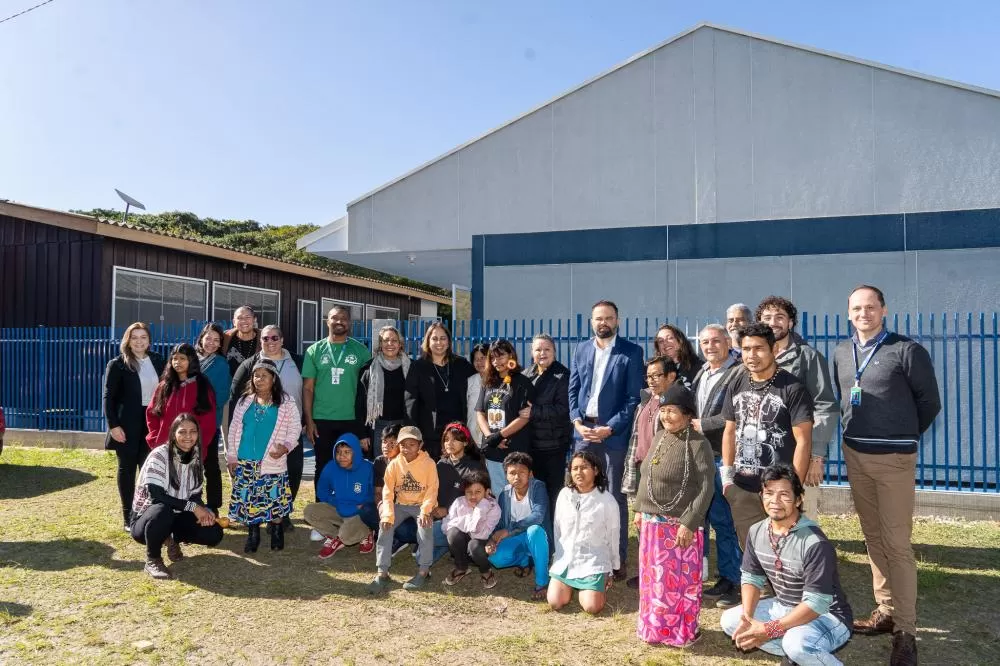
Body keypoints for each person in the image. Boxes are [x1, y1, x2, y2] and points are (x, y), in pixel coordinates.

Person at [832, 285, 940, 665]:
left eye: (871, 307)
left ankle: (906, 632)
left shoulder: (906, 351)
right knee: (873, 537)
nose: (864, 313)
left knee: (897, 544)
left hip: (893, 458)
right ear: (848, 313)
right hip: (855, 455)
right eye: (857, 308)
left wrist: (901, 436)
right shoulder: (843, 352)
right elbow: (844, 399)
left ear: (884, 310)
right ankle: (886, 609)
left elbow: (929, 403)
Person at [721, 464, 853, 665]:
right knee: (731, 621)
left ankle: (798, 651)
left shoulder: (814, 543)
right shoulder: (757, 531)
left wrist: (768, 629)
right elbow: (751, 578)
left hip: (828, 616)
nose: (775, 501)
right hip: (786, 607)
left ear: (799, 499)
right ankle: (796, 655)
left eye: (784, 494)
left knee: (796, 644)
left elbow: (816, 604)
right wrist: (747, 617)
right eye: (769, 493)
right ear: (761, 496)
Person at [634, 384, 715, 647]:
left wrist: (689, 523)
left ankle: (680, 632)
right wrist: (639, 509)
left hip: (679, 527)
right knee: (654, 582)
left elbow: (706, 487)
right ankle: (655, 629)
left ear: (688, 415)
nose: (666, 416)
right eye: (664, 410)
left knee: (678, 585)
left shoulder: (699, 444)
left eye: (673, 411)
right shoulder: (660, 437)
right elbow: (646, 474)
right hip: (652, 525)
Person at [568, 300, 644, 581]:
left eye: (609, 318)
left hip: (612, 437)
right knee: (581, 495)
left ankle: (617, 558)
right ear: (592, 322)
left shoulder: (632, 352)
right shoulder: (582, 349)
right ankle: (581, 552)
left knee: (613, 498)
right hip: (583, 433)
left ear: (617, 321)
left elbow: (633, 398)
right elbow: (573, 390)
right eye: (599, 318)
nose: (604, 323)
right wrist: (576, 420)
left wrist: (609, 428)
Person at [721, 323, 814, 549]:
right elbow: (730, 431)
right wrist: (727, 479)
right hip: (742, 487)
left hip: (778, 489)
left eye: (759, 348)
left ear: (774, 350)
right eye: (746, 349)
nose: (752, 355)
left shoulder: (792, 388)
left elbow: (803, 441)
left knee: (783, 550)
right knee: (750, 551)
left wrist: (795, 487)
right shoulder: (737, 383)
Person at [757, 296, 839, 519]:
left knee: (800, 515)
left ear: (791, 323)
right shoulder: (753, 357)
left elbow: (825, 406)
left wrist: (817, 456)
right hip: (762, 454)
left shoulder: (808, 357)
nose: (773, 322)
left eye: (780, 317)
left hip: (798, 454)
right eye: (767, 318)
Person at [130, 413, 224, 580]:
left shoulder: (196, 458)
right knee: (162, 510)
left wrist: (204, 511)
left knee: (214, 533)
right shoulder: (159, 455)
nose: (188, 436)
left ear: (198, 434)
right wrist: (193, 507)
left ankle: (171, 537)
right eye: (182, 432)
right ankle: (153, 560)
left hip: (176, 516)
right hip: (146, 521)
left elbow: (195, 496)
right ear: (173, 434)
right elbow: (157, 496)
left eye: (193, 431)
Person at [230, 324, 306, 528]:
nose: (270, 342)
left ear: (282, 340)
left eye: (274, 338)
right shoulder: (249, 365)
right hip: (258, 432)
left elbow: (309, 391)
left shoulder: (298, 361)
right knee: (260, 473)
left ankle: (282, 513)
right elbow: (236, 396)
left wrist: (308, 420)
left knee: (292, 470)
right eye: (265, 338)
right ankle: (258, 513)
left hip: (290, 427)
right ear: (260, 341)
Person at [691, 324, 743, 609]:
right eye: (705, 342)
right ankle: (723, 575)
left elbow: (734, 416)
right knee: (709, 517)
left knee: (725, 521)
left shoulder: (738, 372)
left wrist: (702, 424)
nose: (710, 346)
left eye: (715, 341)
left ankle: (732, 580)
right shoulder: (703, 372)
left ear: (727, 342)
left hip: (723, 455)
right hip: (703, 455)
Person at [226, 360, 301, 553]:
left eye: (264, 375)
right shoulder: (244, 401)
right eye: (256, 375)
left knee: (273, 499)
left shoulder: (286, 401)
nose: (259, 379)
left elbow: (295, 429)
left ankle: (277, 531)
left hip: (271, 460)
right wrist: (232, 457)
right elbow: (234, 428)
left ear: (274, 378)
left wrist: (285, 447)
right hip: (245, 459)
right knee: (250, 500)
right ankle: (253, 534)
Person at [302, 305, 371, 500]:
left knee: (351, 464)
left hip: (351, 420)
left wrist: (363, 426)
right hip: (321, 418)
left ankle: (349, 507)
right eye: (334, 318)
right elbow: (308, 388)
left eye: (344, 318)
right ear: (327, 321)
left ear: (349, 323)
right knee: (323, 465)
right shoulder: (314, 350)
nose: (339, 321)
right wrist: (309, 420)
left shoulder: (361, 351)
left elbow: (368, 390)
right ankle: (322, 509)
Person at [621, 355, 678, 588]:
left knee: (663, 526)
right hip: (640, 470)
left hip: (662, 474)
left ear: (671, 376)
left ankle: (664, 575)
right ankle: (648, 572)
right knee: (643, 524)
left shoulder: (676, 404)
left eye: (657, 375)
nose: (652, 380)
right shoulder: (646, 401)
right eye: (649, 376)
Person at [103, 322, 166, 530]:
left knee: (148, 468)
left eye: (143, 337)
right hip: (127, 424)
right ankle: (128, 516)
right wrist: (113, 426)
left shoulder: (158, 360)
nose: (139, 341)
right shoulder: (118, 364)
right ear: (128, 340)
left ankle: (146, 511)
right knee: (127, 469)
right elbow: (108, 397)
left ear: (149, 340)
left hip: (152, 421)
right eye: (135, 337)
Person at [145, 343, 219, 518]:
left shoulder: (202, 386)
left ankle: (188, 520)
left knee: (190, 486)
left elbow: (208, 420)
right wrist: (156, 440)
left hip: (191, 448)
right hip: (165, 447)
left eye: (183, 358)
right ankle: (165, 522)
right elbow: (152, 414)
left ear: (191, 360)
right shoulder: (164, 386)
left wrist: (199, 445)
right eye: (175, 358)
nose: (178, 362)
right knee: (166, 484)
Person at [394, 422, 485, 562]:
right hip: (438, 518)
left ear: (466, 442)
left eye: (455, 439)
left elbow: (479, 501)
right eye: (446, 439)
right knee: (418, 555)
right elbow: (429, 491)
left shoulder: (475, 467)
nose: (450, 443)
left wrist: (448, 511)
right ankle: (448, 545)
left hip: (461, 521)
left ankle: (456, 544)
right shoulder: (440, 465)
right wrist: (429, 509)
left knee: (426, 544)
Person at [547, 451, 620, 616]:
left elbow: (613, 536)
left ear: (595, 470)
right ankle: (569, 585)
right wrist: (556, 558)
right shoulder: (564, 495)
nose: (578, 473)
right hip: (566, 559)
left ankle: (590, 585)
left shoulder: (607, 500)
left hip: (592, 560)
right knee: (555, 602)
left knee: (592, 607)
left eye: (584, 468)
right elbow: (557, 529)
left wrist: (611, 568)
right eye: (574, 468)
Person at [368, 426, 439, 593]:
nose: (407, 448)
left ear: (420, 445)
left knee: (425, 527)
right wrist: (388, 513)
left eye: (412, 444)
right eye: (403, 444)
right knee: (385, 526)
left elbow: (432, 489)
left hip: (421, 505)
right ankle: (382, 572)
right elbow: (387, 490)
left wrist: (426, 511)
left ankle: (423, 571)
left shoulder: (429, 464)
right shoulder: (394, 464)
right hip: (400, 504)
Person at [406, 322, 476, 460]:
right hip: (430, 437)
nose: (439, 342)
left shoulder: (461, 365)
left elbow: (480, 384)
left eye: (443, 338)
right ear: (428, 341)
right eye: (434, 338)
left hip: (458, 436)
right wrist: (414, 435)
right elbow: (410, 403)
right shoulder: (418, 367)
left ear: (449, 342)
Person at [486, 451, 551, 600]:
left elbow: (538, 516)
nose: (517, 477)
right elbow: (501, 523)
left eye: (522, 472)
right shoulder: (505, 493)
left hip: (538, 537)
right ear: (506, 476)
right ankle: (526, 560)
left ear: (530, 474)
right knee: (495, 557)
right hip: (517, 535)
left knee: (534, 531)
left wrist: (508, 530)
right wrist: (491, 539)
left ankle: (542, 583)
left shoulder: (538, 487)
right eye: (512, 473)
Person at [475, 339, 535, 495]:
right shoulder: (487, 382)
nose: (496, 362)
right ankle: (502, 520)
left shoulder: (522, 382)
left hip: (515, 449)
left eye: (500, 356)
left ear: (511, 356)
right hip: (494, 450)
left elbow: (524, 417)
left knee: (519, 493)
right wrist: (490, 437)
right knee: (499, 493)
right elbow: (480, 411)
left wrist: (500, 435)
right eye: (493, 358)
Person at [303, 433, 378, 558]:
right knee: (309, 511)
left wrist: (362, 505)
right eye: (338, 452)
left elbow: (375, 493)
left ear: (356, 452)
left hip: (358, 513)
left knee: (346, 536)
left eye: (347, 452)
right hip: (339, 508)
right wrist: (335, 501)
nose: (341, 456)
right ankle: (336, 536)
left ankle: (365, 533)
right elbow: (322, 490)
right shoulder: (331, 467)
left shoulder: (368, 468)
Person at [522, 333, 572, 519]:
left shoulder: (562, 376)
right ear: (532, 353)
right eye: (538, 349)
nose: (542, 353)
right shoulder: (526, 374)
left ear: (554, 352)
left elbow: (563, 409)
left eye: (547, 349)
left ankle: (554, 538)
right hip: (530, 444)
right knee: (535, 493)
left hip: (553, 446)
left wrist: (534, 412)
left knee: (553, 494)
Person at [357, 325, 413, 457]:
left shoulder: (412, 367)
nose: (390, 344)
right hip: (377, 427)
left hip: (404, 426)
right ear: (380, 344)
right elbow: (360, 404)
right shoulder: (368, 369)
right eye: (386, 340)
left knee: (402, 467)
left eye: (394, 340)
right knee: (381, 467)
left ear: (400, 344)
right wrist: (362, 434)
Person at [442, 468, 502, 588]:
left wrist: (480, 509)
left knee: (474, 546)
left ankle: (485, 570)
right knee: (453, 534)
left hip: (481, 541)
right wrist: (467, 523)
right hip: (462, 541)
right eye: (469, 492)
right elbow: (446, 526)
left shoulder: (493, 508)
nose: (473, 496)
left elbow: (481, 534)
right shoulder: (459, 502)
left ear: (487, 492)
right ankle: (461, 567)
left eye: (478, 492)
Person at [195, 323, 230, 515]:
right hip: (186, 422)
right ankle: (192, 502)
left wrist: (202, 407)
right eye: (208, 338)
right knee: (189, 464)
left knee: (210, 463)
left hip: (208, 421)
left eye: (216, 340)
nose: (211, 343)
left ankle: (214, 505)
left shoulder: (221, 364)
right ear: (201, 338)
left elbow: (223, 394)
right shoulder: (190, 359)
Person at [222, 305, 260, 375]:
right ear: (234, 322)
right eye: (239, 318)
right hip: (228, 385)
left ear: (254, 319)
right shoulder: (224, 338)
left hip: (255, 385)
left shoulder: (265, 339)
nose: (244, 321)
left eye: (247, 317)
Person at [466, 343, 491, 446]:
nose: (479, 362)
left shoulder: (500, 381)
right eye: (476, 359)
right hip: (472, 438)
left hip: (492, 437)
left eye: (483, 358)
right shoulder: (470, 382)